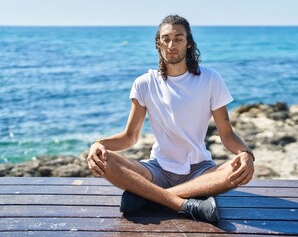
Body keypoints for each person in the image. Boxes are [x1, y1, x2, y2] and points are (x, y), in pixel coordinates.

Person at [87, 14, 255, 223]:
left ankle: (151, 197)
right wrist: (97, 144)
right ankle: (183, 204)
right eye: (165, 38)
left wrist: (246, 154)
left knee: (235, 170)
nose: (171, 44)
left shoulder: (211, 79)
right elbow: (130, 137)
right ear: (158, 43)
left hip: (199, 171)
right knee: (103, 159)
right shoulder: (144, 83)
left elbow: (227, 135)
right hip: (157, 169)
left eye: (178, 38)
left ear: (188, 43)